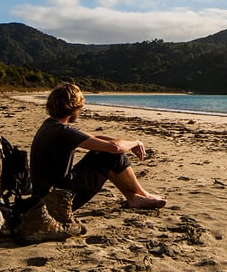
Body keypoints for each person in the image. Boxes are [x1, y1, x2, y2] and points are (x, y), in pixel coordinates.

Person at [30, 83, 166, 210]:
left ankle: (134, 198)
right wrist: (136, 142)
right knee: (110, 156)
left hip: (46, 195)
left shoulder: (50, 126)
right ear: (74, 108)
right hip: (56, 200)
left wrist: (122, 142)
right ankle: (142, 196)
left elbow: (95, 139)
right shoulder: (62, 132)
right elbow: (115, 148)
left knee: (103, 153)